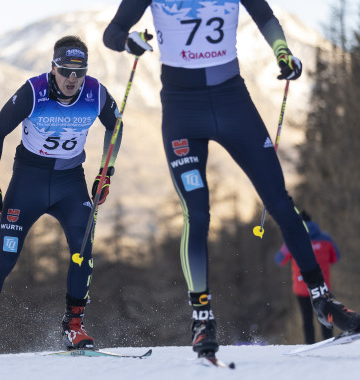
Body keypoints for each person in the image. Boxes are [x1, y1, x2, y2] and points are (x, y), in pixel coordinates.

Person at [103, 0, 360, 357]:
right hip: (183, 111)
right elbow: (111, 33)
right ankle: (202, 318)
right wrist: (128, 41)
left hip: (232, 103)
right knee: (198, 214)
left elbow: (265, 17)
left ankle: (323, 299)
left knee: (281, 204)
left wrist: (282, 53)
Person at [0, 35, 123, 357]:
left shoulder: (96, 93)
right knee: (6, 258)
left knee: (82, 250)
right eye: (65, 70)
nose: (72, 78)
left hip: (71, 183)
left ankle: (74, 326)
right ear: (53, 68)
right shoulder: (33, 91)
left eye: (79, 71)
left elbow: (116, 127)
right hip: (29, 182)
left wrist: (104, 174)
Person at [276, 211, 341, 344]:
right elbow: (335, 258)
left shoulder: (293, 239)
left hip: (302, 287)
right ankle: (330, 342)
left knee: (307, 318)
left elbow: (279, 259)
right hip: (322, 285)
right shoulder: (326, 239)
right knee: (325, 315)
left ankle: (310, 344)